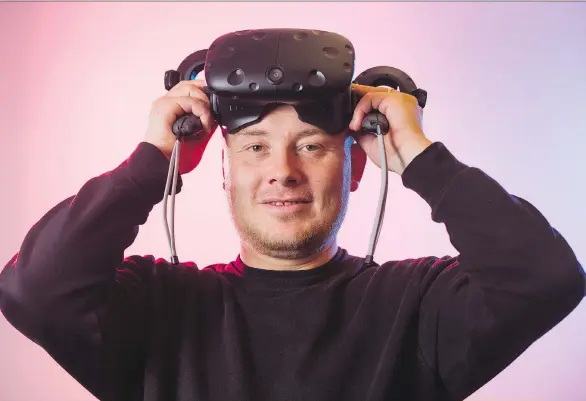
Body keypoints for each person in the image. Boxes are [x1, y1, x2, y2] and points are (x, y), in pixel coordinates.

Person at [0, 79, 584, 401]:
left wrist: (422, 160)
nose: (283, 169)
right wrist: (154, 161)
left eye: (312, 145)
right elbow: (36, 288)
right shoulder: (157, 306)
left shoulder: (417, 304)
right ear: (222, 169)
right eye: (255, 147)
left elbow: (545, 278)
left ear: (356, 168)